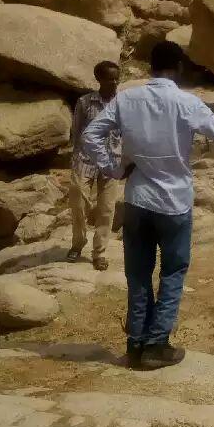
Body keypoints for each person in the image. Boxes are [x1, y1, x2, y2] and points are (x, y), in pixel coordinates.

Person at [82, 41, 214, 371]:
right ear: (179, 67)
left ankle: (136, 345)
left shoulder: (126, 98)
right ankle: (157, 345)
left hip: (137, 200)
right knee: (172, 273)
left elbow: (90, 135)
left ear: (150, 67)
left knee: (138, 275)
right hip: (174, 203)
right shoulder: (186, 102)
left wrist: (112, 168)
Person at [68, 60, 122, 271]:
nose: (114, 82)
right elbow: (76, 132)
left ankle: (99, 253)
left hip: (111, 161)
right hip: (85, 160)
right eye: (110, 79)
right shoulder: (85, 102)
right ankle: (78, 242)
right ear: (99, 79)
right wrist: (74, 159)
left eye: (117, 78)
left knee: (107, 209)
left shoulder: (123, 103)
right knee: (78, 203)